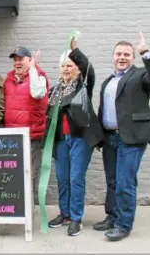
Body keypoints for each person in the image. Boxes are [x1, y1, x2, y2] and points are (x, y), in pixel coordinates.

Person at [93, 33, 150, 241]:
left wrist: (146, 53)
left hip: (131, 138)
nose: (121, 57)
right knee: (113, 182)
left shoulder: (141, 75)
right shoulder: (108, 81)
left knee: (125, 182)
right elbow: (103, 110)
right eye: (118, 54)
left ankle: (124, 225)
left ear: (132, 57)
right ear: (112, 56)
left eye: (126, 54)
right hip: (110, 139)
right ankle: (113, 217)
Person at [46, 40, 103, 236]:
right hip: (61, 140)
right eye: (63, 65)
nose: (65, 69)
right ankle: (65, 213)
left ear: (78, 70)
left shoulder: (83, 86)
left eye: (70, 65)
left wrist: (75, 52)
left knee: (75, 178)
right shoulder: (54, 91)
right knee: (62, 178)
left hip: (80, 138)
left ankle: (76, 218)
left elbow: (89, 69)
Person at [3, 47, 49, 204]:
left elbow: (37, 93)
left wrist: (34, 69)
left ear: (29, 60)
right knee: (13, 174)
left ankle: (28, 210)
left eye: (21, 59)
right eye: (14, 59)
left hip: (32, 136)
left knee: (29, 174)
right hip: (12, 136)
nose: (17, 62)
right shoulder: (8, 79)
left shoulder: (39, 77)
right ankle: (16, 208)